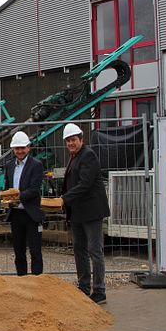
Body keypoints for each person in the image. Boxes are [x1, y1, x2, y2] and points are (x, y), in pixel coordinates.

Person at [61, 123, 109, 305]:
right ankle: (83, 286)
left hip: (91, 212)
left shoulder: (88, 155)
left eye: (73, 140)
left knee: (94, 250)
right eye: (68, 141)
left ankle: (99, 291)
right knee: (79, 249)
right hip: (78, 212)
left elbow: (85, 184)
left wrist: (64, 199)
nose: (70, 143)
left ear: (81, 139)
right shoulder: (75, 157)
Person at [4, 131, 45, 276]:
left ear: (28, 147)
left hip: (31, 214)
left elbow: (34, 189)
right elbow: (7, 187)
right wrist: (7, 199)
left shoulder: (36, 165)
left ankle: (37, 282)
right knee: (19, 251)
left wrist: (17, 197)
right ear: (13, 149)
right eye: (17, 148)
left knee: (35, 251)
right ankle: (22, 280)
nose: (20, 151)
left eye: (22, 148)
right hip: (16, 214)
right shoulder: (9, 166)